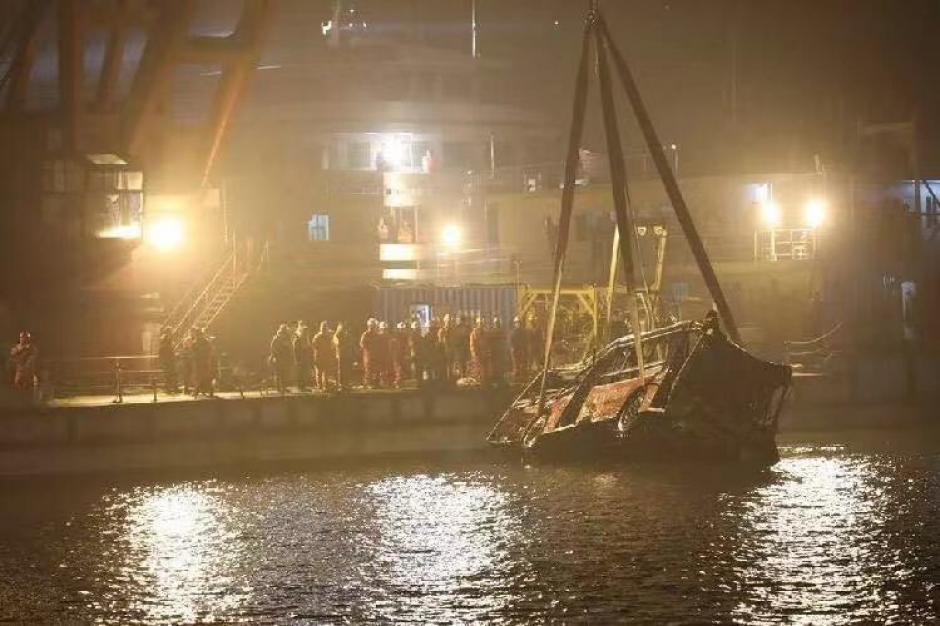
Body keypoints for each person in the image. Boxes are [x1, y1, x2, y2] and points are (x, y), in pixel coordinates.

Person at [269, 323, 294, 393]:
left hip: (285, 359)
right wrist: (276, 355)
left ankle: (283, 387)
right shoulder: (276, 339)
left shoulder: (287, 339)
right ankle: (279, 388)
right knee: (278, 374)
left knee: (284, 374)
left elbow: (290, 348)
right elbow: (273, 348)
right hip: (278, 358)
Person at [191, 327, 214, 397]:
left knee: (199, 376)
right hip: (204, 361)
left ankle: (197, 391)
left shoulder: (196, 342)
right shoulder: (206, 342)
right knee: (205, 376)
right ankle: (208, 389)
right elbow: (210, 351)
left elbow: (193, 351)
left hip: (200, 361)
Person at [313, 321, 335, 391]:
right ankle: (320, 386)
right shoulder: (317, 337)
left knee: (326, 372)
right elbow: (314, 346)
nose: (324, 329)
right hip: (319, 356)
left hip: (326, 356)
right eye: (323, 328)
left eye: (325, 328)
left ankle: (324, 386)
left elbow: (332, 346)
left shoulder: (329, 337)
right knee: (319, 372)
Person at [360, 318, 381, 388]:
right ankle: (368, 383)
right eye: (372, 326)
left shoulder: (377, 334)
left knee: (376, 369)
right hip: (368, 355)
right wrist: (368, 348)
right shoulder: (366, 334)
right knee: (368, 369)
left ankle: (376, 383)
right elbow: (362, 344)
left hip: (376, 354)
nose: (373, 327)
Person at [293, 322, 313, 391]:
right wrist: (297, 358)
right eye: (305, 332)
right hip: (300, 359)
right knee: (300, 372)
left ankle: (303, 385)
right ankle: (300, 385)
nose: (306, 333)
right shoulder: (298, 340)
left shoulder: (306, 340)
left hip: (305, 359)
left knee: (304, 372)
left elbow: (309, 349)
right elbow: (295, 350)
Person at [333, 323, 353, 390]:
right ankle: (340, 384)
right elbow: (337, 344)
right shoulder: (336, 336)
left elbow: (350, 343)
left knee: (346, 370)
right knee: (340, 370)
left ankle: (346, 383)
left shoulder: (347, 335)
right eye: (342, 328)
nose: (344, 330)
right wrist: (345, 345)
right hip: (340, 355)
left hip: (347, 355)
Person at [408, 321, 428, 387]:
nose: (418, 329)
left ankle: (419, 382)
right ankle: (418, 382)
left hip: (419, 355)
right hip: (415, 355)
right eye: (417, 328)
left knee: (419, 369)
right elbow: (412, 346)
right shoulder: (412, 337)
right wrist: (413, 353)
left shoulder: (419, 336)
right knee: (416, 369)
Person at [509, 317, 529, 382]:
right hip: (516, 350)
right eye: (516, 323)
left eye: (518, 323)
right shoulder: (512, 332)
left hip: (522, 350)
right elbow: (511, 341)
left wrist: (525, 348)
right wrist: (512, 348)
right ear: (514, 324)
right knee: (516, 364)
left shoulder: (523, 332)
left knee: (523, 363)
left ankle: (523, 377)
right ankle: (517, 377)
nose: (518, 324)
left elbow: (525, 340)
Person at [158, 328, 178, 393]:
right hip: (167, 360)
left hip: (170, 359)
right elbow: (162, 350)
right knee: (168, 374)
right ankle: (168, 388)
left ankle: (173, 387)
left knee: (172, 374)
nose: (171, 333)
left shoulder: (169, 340)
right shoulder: (164, 340)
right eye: (170, 332)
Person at [470, 317, 489, 384]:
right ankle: (479, 382)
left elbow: (487, 344)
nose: (480, 325)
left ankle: (484, 382)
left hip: (484, 354)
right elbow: (472, 345)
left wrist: (487, 352)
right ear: (477, 324)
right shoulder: (473, 333)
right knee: (478, 370)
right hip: (478, 355)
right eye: (479, 323)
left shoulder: (485, 333)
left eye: (482, 323)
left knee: (485, 370)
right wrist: (474, 354)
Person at [490, 317, 508, 385]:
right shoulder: (493, 332)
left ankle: (500, 378)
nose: (496, 324)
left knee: (500, 366)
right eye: (496, 323)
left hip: (500, 351)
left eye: (497, 323)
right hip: (495, 352)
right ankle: (497, 378)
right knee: (496, 366)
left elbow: (505, 341)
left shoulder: (501, 331)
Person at [389, 322, 407, 388]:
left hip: (402, 355)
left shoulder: (405, 337)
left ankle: (400, 382)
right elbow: (391, 346)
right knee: (398, 369)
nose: (402, 330)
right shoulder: (395, 337)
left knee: (402, 368)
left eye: (403, 329)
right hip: (396, 355)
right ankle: (398, 382)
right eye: (401, 329)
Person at [453, 315, 471, 379]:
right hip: (459, 349)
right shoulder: (456, 328)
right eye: (461, 320)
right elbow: (454, 339)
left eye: (463, 320)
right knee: (460, 363)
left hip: (466, 348)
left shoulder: (468, 328)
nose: (462, 322)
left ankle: (465, 376)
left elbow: (470, 337)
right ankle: (462, 376)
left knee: (465, 363)